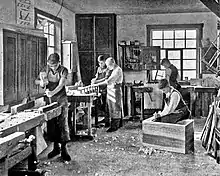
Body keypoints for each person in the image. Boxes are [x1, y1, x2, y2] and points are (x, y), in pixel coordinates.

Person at [35, 53, 71, 161]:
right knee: (52, 124)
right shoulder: (45, 69)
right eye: (51, 65)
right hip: (50, 101)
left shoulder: (63, 70)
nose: (53, 67)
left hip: (61, 99)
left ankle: (64, 150)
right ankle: (56, 148)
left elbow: (61, 84)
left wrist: (52, 92)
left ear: (59, 63)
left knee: (62, 123)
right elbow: (36, 81)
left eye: (55, 65)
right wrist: (41, 82)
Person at [92, 57, 123, 132]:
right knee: (111, 108)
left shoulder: (117, 70)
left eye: (108, 65)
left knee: (115, 108)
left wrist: (97, 84)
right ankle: (117, 124)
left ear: (112, 63)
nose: (108, 67)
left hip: (115, 90)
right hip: (111, 90)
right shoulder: (113, 69)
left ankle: (115, 126)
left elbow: (108, 81)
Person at [91, 55, 110, 126]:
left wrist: (97, 81)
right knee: (100, 104)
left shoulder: (108, 69)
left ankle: (107, 120)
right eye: (99, 63)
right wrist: (94, 79)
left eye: (101, 63)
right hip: (99, 89)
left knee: (106, 105)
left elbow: (106, 79)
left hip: (106, 88)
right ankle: (104, 118)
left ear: (105, 62)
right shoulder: (99, 68)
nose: (100, 64)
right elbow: (97, 76)